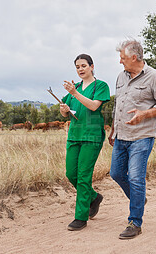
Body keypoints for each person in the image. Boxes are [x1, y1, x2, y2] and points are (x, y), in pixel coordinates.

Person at [108, 39, 156, 239]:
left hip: (142, 137)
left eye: (123, 58)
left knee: (135, 178)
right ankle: (139, 198)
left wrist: (144, 114)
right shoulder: (120, 77)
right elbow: (118, 105)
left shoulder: (154, 77)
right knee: (116, 174)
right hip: (121, 136)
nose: (120, 61)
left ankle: (135, 222)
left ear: (134, 57)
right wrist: (112, 130)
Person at [60, 54, 110, 231]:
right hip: (74, 135)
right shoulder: (76, 88)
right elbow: (65, 112)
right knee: (71, 174)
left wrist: (74, 93)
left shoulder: (100, 86)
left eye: (83, 66)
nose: (80, 69)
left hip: (91, 135)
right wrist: (64, 109)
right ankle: (94, 197)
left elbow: (93, 106)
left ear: (91, 66)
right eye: (77, 67)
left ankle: (80, 217)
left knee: (83, 177)